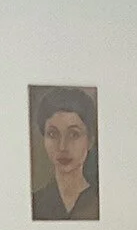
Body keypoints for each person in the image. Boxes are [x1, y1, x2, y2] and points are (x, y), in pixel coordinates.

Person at [31, 86, 98, 221]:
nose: (62, 147)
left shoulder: (100, 200)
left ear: (90, 140)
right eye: (53, 134)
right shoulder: (35, 203)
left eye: (73, 134)